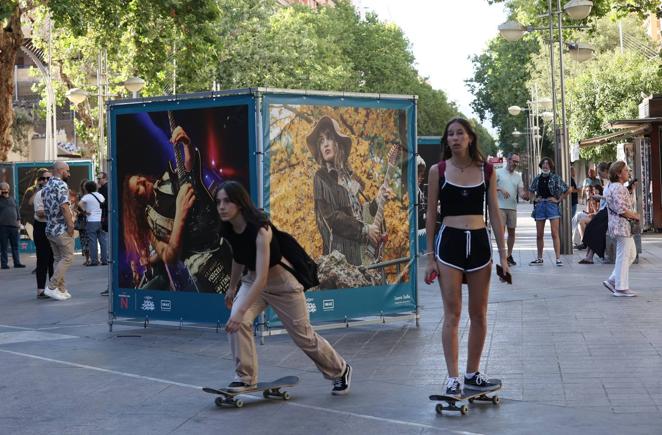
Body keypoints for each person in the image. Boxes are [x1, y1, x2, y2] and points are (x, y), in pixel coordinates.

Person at [217, 181, 352, 395]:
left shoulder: (261, 230)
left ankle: (340, 370)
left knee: (304, 337)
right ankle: (245, 378)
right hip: (252, 281)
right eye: (219, 202)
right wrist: (232, 287)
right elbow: (238, 256)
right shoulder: (228, 227)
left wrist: (241, 309)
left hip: (281, 282)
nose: (221, 206)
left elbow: (263, 277)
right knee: (238, 322)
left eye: (227, 201)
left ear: (240, 204)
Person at [424, 118, 508, 398]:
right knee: (452, 313)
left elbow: (494, 213)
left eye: (460, 133)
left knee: (479, 314)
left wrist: (504, 256)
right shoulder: (438, 170)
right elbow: (431, 214)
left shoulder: (486, 170)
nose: (455, 138)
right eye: (450, 134)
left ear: (470, 137)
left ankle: (472, 374)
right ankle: (452, 378)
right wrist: (429, 257)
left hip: (480, 244)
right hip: (449, 243)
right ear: (446, 140)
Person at [122, 126, 231, 293]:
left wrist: (186, 144)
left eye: (139, 178)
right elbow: (168, 256)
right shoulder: (150, 221)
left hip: (225, 242)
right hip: (203, 266)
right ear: (137, 202)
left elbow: (188, 169)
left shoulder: (167, 179)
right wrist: (180, 212)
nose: (142, 181)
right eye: (138, 188)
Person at [308, 115, 389, 266]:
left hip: (361, 253)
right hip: (340, 257)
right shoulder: (321, 177)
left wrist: (377, 201)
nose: (325, 144)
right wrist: (365, 230)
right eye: (321, 141)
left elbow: (358, 212)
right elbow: (333, 217)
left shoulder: (350, 177)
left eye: (329, 138)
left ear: (338, 143)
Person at [603, 161, 639, 297]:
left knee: (630, 254)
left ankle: (613, 280)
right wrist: (636, 216)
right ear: (618, 173)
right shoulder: (619, 188)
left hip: (618, 225)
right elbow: (622, 210)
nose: (628, 172)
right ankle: (621, 287)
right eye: (625, 170)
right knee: (624, 256)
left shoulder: (612, 186)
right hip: (622, 225)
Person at [42, 161, 75, 301]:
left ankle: (61, 289)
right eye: (67, 171)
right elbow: (64, 207)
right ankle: (51, 287)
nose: (69, 173)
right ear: (61, 170)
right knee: (68, 257)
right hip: (61, 228)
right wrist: (70, 225)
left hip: (49, 228)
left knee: (58, 259)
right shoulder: (61, 184)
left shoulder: (46, 186)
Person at [528, 157, 569, 267]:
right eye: (544, 164)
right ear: (541, 166)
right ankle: (540, 258)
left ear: (551, 166)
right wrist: (534, 199)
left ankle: (558, 259)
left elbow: (567, 189)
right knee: (539, 234)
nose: (545, 166)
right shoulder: (537, 178)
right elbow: (531, 191)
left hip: (552, 205)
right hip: (540, 205)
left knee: (554, 233)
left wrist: (558, 200)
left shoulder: (555, 178)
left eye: (547, 164)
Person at [495, 152, 529, 266]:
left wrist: (525, 195)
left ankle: (509, 255)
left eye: (517, 162)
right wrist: (500, 189)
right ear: (508, 160)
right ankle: (502, 256)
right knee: (501, 232)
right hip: (500, 207)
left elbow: (520, 191)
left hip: (512, 207)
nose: (515, 164)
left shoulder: (518, 176)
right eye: (514, 161)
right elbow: (491, 186)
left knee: (512, 232)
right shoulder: (498, 172)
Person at [579, 162, 610, 264]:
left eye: (600, 173)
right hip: (604, 212)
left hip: (609, 213)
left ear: (606, 171)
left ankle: (589, 256)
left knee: (594, 228)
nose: (599, 175)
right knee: (590, 226)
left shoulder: (612, 183)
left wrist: (599, 197)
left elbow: (611, 198)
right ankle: (589, 256)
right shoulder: (607, 183)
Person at [33, 171, 54, 298]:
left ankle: (53, 287)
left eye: (48, 178)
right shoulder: (39, 194)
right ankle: (41, 290)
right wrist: (57, 213)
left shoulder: (56, 193)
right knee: (42, 259)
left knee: (54, 259)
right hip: (41, 227)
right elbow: (40, 213)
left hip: (53, 227)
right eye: (43, 178)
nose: (45, 180)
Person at [79, 180, 108, 266]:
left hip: (91, 221)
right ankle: (104, 260)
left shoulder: (86, 196)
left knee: (92, 241)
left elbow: (79, 204)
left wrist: (85, 212)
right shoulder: (100, 195)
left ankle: (94, 261)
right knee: (103, 241)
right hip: (101, 221)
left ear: (86, 188)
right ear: (95, 187)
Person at [0, 182, 26, 269]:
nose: (4, 191)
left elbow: (17, 211)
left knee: (15, 246)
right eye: (2, 189)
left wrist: (19, 222)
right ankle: (4, 264)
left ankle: (17, 262)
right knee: (4, 246)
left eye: (6, 189)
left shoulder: (12, 199)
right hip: (3, 226)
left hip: (14, 226)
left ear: (8, 189)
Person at [573, 185, 601, 250]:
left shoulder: (598, 199)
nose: (589, 192)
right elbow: (589, 211)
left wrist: (592, 204)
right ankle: (581, 242)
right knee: (579, 219)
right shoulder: (590, 199)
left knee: (579, 217)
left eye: (591, 191)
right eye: (587, 191)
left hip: (596, 218)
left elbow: (597, 213)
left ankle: (583, 242)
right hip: (592, 216)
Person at [74, 179, 90, 265]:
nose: (85, 186)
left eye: (87, 185)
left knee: (90, 239)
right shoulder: (79, 195)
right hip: (82, 220)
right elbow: (75, 208)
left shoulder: (92, 195)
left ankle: (93, 258)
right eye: (84, 185)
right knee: (84, 239)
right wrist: (80, 212)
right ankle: (87, 259)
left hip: (90, 219)